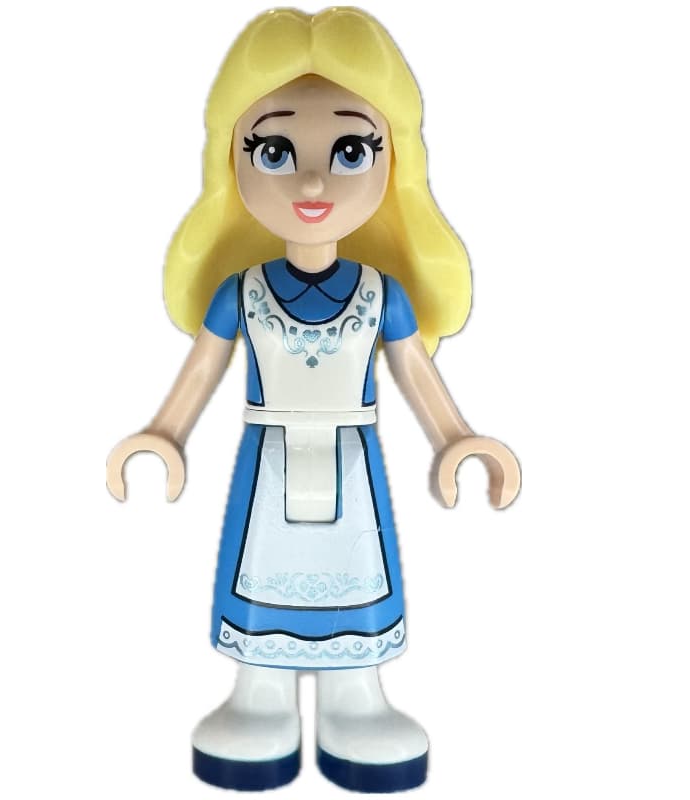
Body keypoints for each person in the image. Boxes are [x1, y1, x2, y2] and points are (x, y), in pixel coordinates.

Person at [106, 7, 520, 793]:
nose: (311, 182)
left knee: (357, 565)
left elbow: (416, 375)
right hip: (268, 457)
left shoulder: (381, 293)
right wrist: (163, 434)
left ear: (393, 162)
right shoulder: (241, 292)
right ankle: (258, 693)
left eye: (351, 150)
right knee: (261, 565)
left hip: (352, 458)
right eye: (274, 151)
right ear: (232, 162)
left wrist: (457, 438)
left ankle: (354, 697)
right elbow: (201, 372)